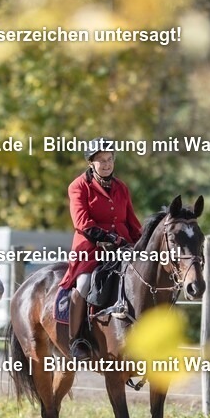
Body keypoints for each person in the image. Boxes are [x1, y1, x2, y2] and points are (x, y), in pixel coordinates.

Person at [59, 139, 142, 360]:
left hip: (123, 247)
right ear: (90, 163)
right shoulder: (78, 186)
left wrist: (141, 243)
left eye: (109, 159)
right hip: (91, 247)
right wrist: (108, 238)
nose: (106, 164)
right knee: (85, 284)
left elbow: (132, 221)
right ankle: (77, 339)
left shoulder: (121, 187)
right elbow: (82, 222)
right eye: (101, 160)